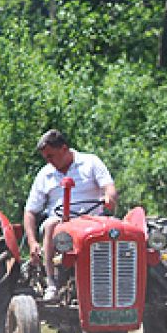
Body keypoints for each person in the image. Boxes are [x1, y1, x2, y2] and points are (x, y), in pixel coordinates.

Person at [23, 129, 117, 302]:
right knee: (51, 224)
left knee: (119, 229)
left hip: (92, 220)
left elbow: (108, 187)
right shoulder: (45, 174)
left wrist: (109, 197)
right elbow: (30, 211)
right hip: (60, 222)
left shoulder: (90, 162)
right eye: (46, 158)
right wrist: (32, 242)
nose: (49, 161)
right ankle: (52, 283)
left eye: (51, 156)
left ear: (64, 149)